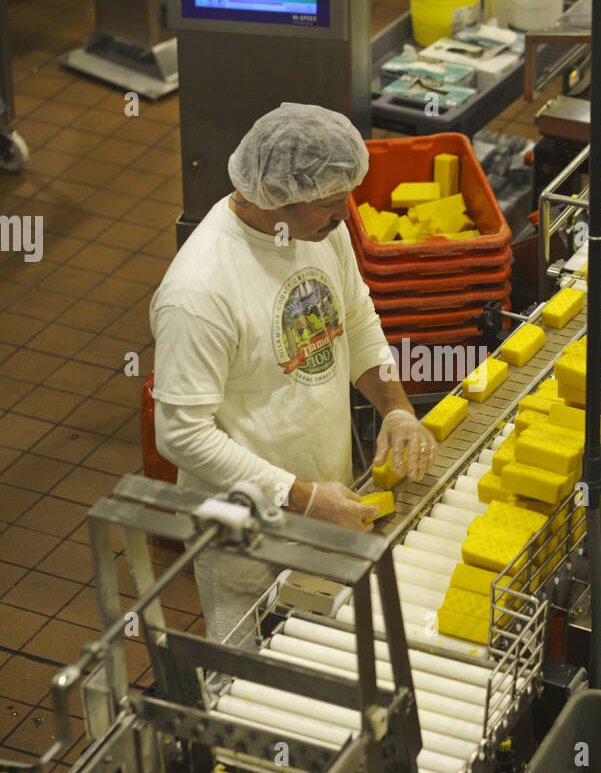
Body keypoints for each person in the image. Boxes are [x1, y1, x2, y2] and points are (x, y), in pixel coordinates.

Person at [150, 103, 437, 643]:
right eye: (330, 202)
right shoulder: (200, 290)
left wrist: (396, 408)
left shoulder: (320, 231)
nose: (345, 212)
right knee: (246, 679)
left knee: (324, 653)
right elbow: (180, 433)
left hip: (327, 505)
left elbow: (354, 318)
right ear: (276, 196)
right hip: (247, 532)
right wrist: (300, 496)